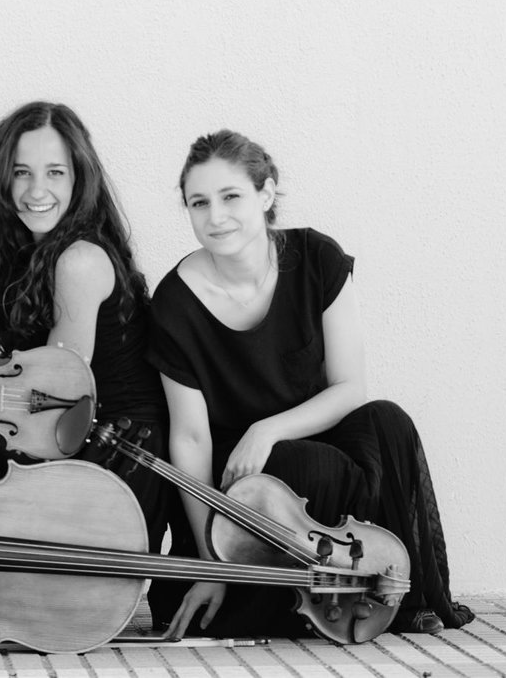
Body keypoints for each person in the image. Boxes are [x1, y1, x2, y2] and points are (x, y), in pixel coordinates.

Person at [148, 129, 474, 638]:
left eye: (231, 196)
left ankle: (399, 594)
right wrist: (212, 560)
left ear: (266, 194)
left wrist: (268, 429)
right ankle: (310, 592)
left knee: (389, 422)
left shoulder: (316, 258)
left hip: (308, 439)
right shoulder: (174, 302)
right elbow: (190, 438)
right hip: (249, 478)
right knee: (291, 465)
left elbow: (349, 387)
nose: (215, 217)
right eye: (199, 202)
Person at [0, 100, 188, 627]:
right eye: (21, 172)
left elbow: (51, 395)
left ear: (80, 178)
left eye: (55, 172)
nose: (35, 189)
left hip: (116, 459)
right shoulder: (31, 253)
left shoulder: (79, 259)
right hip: (76, 435)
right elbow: (24, 381)